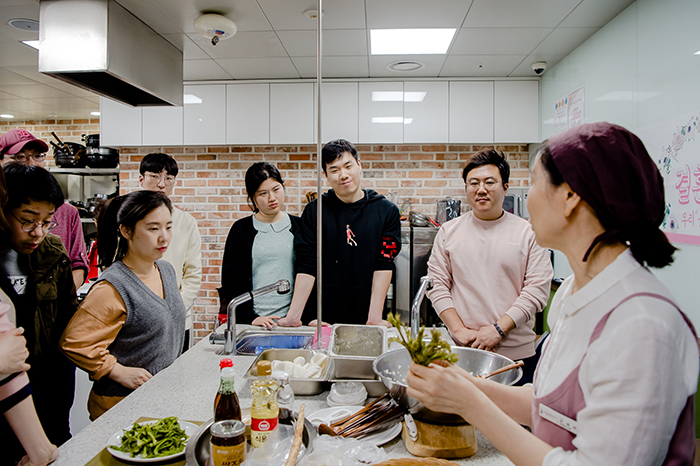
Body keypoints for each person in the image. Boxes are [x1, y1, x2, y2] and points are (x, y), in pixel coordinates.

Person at [407, 122, 698, 466]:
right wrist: (464, 388)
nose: (526, 199)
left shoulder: (642, 326)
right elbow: (548, 406)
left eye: (533, 183)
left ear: (570, 197)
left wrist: (472, 405)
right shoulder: (575, 292)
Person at [426, 149, 552, 384]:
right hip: (462, 351)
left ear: (505, 187)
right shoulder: (448, 232)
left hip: (517, 356)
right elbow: (437, 286)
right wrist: (460, 332)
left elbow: (536, 290)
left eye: (489, 182)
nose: (480, 189)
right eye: (473, 183)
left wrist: (497, 330)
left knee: (514, 419)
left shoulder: (529, 232)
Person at [60, 190, 186, 420]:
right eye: (153, 228)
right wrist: (116, 371)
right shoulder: (112, 287)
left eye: (168, 227)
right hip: (120, 405)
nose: (164, 237)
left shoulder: (165, 269)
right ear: (126, 231)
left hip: (156, 399)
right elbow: (74, 342)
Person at [0, 163, 78, 461]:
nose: (38, 233)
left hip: (48, 380)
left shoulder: (53, 252)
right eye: (28, 221)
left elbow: (67, 319)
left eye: (47, 222)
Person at [281, 139, 401, 327]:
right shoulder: (315, 211)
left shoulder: (386, 211)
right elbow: (307, 263)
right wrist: (294, 316)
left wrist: (375, 317)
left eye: (348, 166)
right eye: (334, 170)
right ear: (326, 175)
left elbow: (384, 262)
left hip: (368, 313)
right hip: (322, 317)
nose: (343, 175)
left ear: (359, 165)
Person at [0, 129, 89, 291]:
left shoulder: (66, 214)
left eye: (37, 156)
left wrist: (58, 298)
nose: (31, 163)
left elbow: (77, 264)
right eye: (20, 156)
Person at [221, 162, 300, 328]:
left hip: (292, 320)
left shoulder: (300, 226)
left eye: (276, 189)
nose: (272, 198)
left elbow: (309, 273)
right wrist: (250, 317)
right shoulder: (240, 230)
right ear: (253, 197)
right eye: (263, 193)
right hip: (254, 322)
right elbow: (230, 279)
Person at [139, 153, 201, 349]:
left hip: (176, 319)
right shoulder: (127, 219)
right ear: (141, 178)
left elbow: (192, 273)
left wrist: (176, 309)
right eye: (155, 176)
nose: (161, 184)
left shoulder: (186, 222)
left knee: (175, 377)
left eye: (168, 178)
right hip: (136, 319)